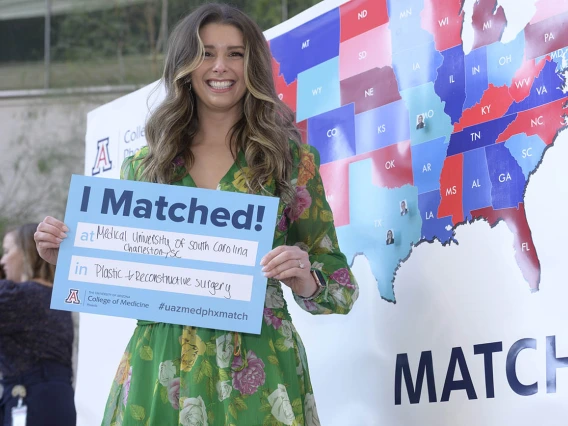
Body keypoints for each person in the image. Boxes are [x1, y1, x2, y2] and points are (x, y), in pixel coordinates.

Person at [34, 3, 359, 425]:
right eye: (206, 52)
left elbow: (341, 287)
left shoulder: (290, 161)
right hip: (162, 369)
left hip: (259, 372)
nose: (220, 66)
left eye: (235, 53)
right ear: (184, 65)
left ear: (252, 64)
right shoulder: (144, 167)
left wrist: (307, 278)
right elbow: (123, 272)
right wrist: (72, 257)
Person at [0, 223, 76, 426]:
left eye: (7, 251)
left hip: (30, 404)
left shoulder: (19, 297)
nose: (3, 261)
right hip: (58, 404)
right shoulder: (56, 297)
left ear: (27, 251)